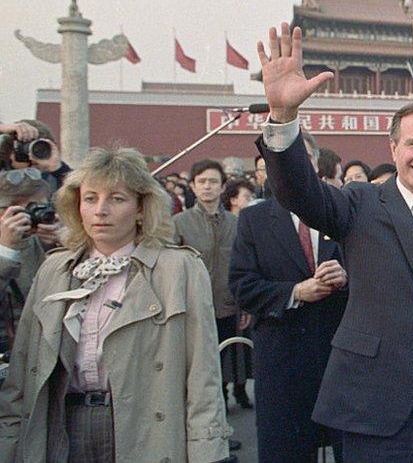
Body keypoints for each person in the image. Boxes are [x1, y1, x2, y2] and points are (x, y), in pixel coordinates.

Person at [255, 23, 413, 462]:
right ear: (394, 147)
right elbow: (298, 192)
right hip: (373, 405)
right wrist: (283, 118)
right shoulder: (360, 203)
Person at [0, 146, 230, 461]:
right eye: (90, 198)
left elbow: (203, 374)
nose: (100, 210)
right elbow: (22, 372)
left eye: (116, 199)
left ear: (140, 208)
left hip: (145, 429)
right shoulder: (55, 269)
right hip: (65, 426)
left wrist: (207, 451)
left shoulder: (179, 270)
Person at [230, 132, 349, 463]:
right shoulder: (254, 220)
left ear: (314, 163)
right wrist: (295, 292)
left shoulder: (345, 210)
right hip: (283, 365)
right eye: (280, 160)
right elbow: (242, 285)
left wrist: (347, 277)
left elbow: (379, 275)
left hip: (342, 361)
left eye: (302, 158)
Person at [173, 160, 252, 418]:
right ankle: (212, 413)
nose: (207, 187)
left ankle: (231, 398)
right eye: (202, 182)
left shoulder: (237, 223)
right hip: (194, 306)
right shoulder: (179, 224)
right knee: (201, 365)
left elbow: (246, 265)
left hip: (229, 302)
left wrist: (246, 303)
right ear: (193, 186)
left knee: (231, 356)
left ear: (222, 186)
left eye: (213, 182)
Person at [0, 169, 60, 354]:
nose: (32, 216)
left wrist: (67, 245)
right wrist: (6, 250)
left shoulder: (49, 241)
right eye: (22, 210)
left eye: (37, 207)